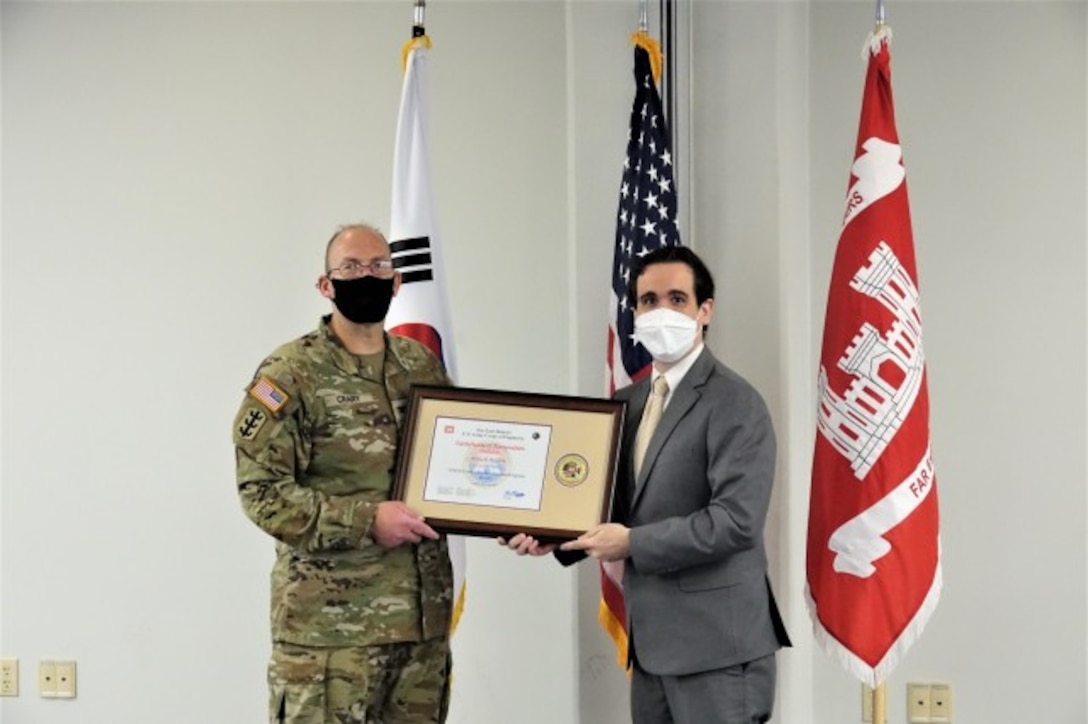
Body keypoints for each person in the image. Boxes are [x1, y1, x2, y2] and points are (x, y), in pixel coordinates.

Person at [503, 246, 791, 724]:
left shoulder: (735, 402)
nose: (661, 311)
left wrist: (633, 542)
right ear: (633, 311)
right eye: (648, 300)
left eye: (677, 299)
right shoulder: (626, 403)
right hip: (653, 646)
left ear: (705, 310)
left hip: (718, 650)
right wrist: (552, 535)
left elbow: (735, 522)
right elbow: (609, 504)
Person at [233, 223, 454, 724]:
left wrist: (514, 516)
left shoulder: (421, 365)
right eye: (351, 268)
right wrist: (365, 521)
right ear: (325, 285)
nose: (366, 276)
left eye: (379, 266)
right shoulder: (289, 374)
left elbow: (453, 469)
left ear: (397, 282)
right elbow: (262, 493)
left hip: (421, 628)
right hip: (329, 638)